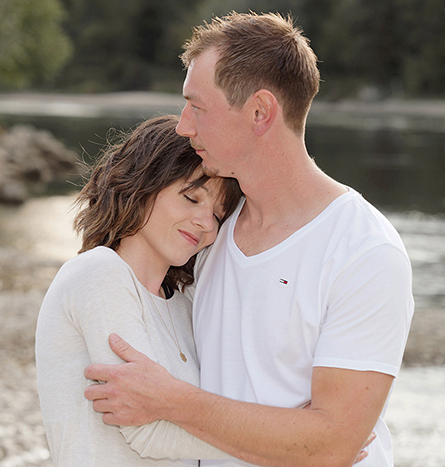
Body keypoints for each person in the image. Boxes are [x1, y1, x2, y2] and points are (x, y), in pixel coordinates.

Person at [84, 12, 414, 467]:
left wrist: (171, 401)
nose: (183, 125)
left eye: (197, 107)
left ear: (260, 112)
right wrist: (294, 436)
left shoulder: (364, 252)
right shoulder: (202, 232)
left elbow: (332, 445)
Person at [35, 114, 244, 466]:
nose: (206, 223)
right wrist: (290, 446)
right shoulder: (99, 273)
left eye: (219, 216)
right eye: (192, 198)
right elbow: (148, 433)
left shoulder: (184, 305)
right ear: (144, 184)